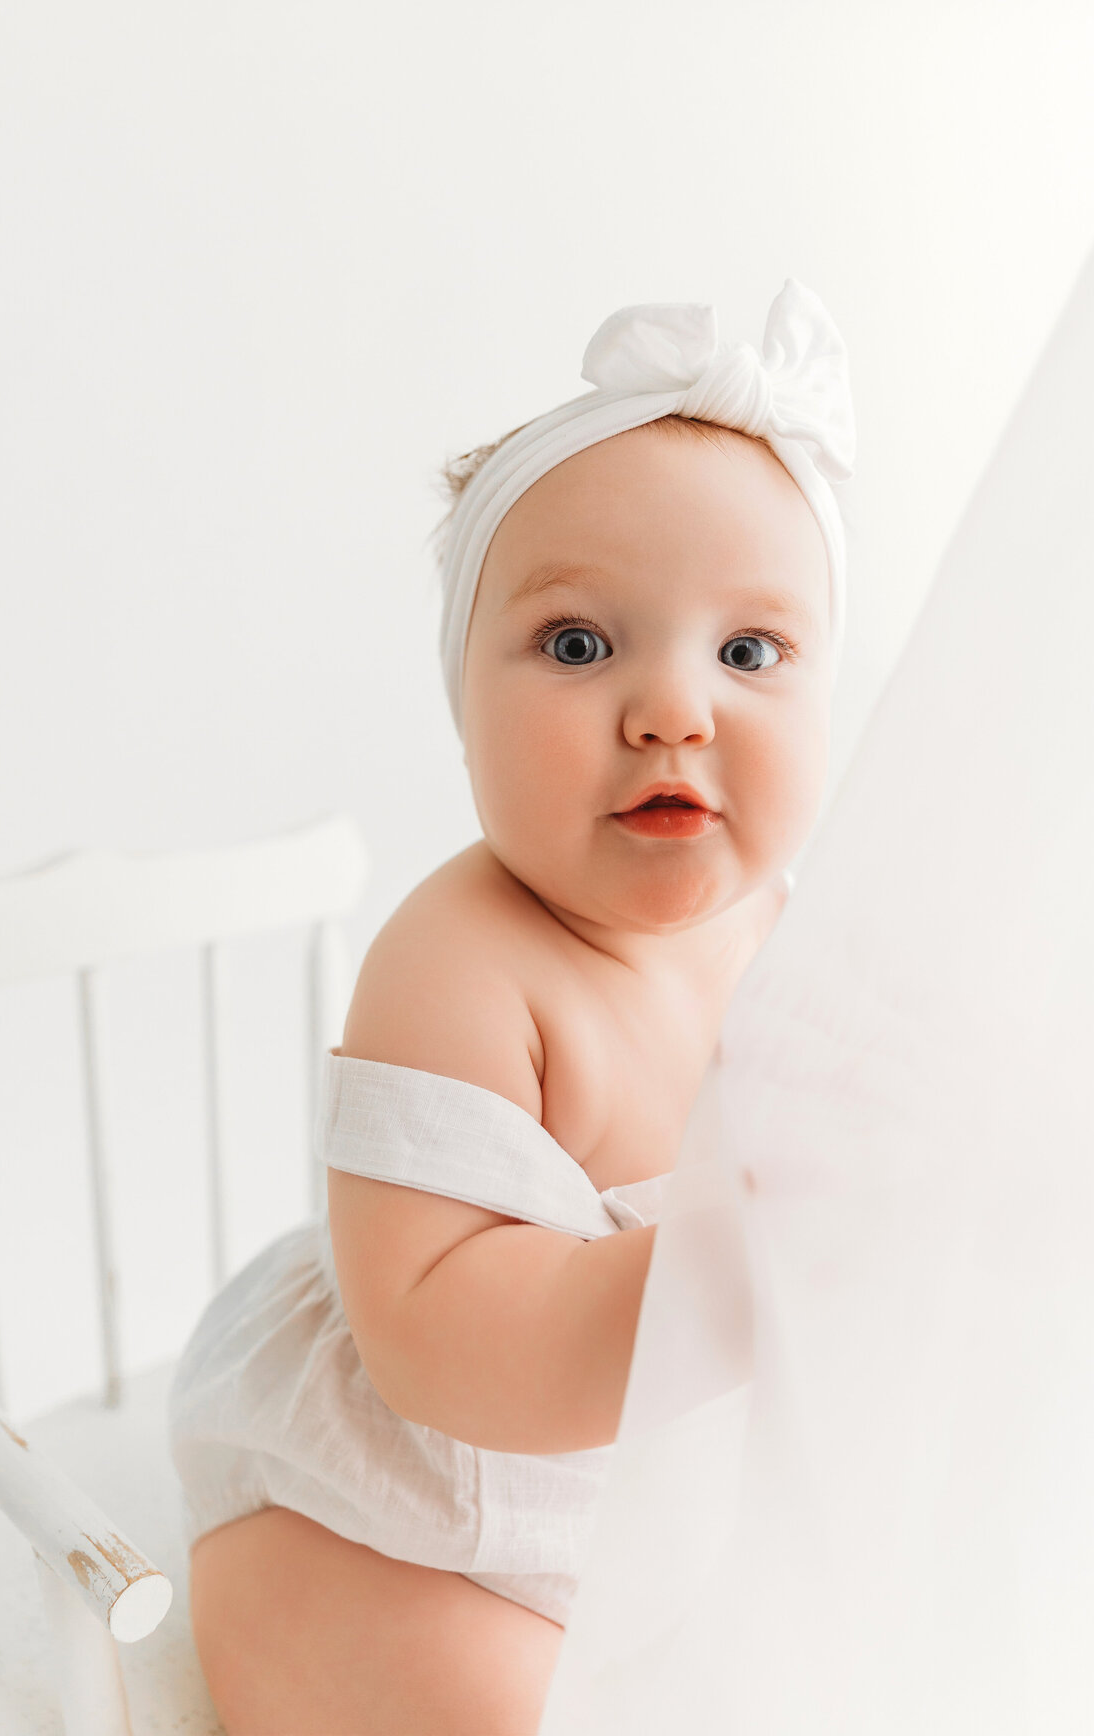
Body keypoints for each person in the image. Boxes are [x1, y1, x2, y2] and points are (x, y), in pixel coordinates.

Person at [167, 277, 856, 1734]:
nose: (676, 708)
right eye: (580, 644)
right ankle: (268, 1616)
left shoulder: (790, 939)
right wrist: (736, 1266)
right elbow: (441, 1344)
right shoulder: (463, 963)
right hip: (410, 1504)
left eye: (749, 653)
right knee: (466, 1692)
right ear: (460, 700)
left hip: (632, 1499)